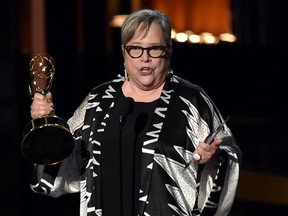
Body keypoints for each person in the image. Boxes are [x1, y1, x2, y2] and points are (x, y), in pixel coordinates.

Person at [29, 9, 242, 216]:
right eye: (136, 48)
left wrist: (215, 158)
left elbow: (227, 154)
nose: (145, 58)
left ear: (168, 51)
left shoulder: (192, 100)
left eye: (154, 48)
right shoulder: (98, 100)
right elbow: (67, 167)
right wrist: (48, 128)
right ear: (124, 52)